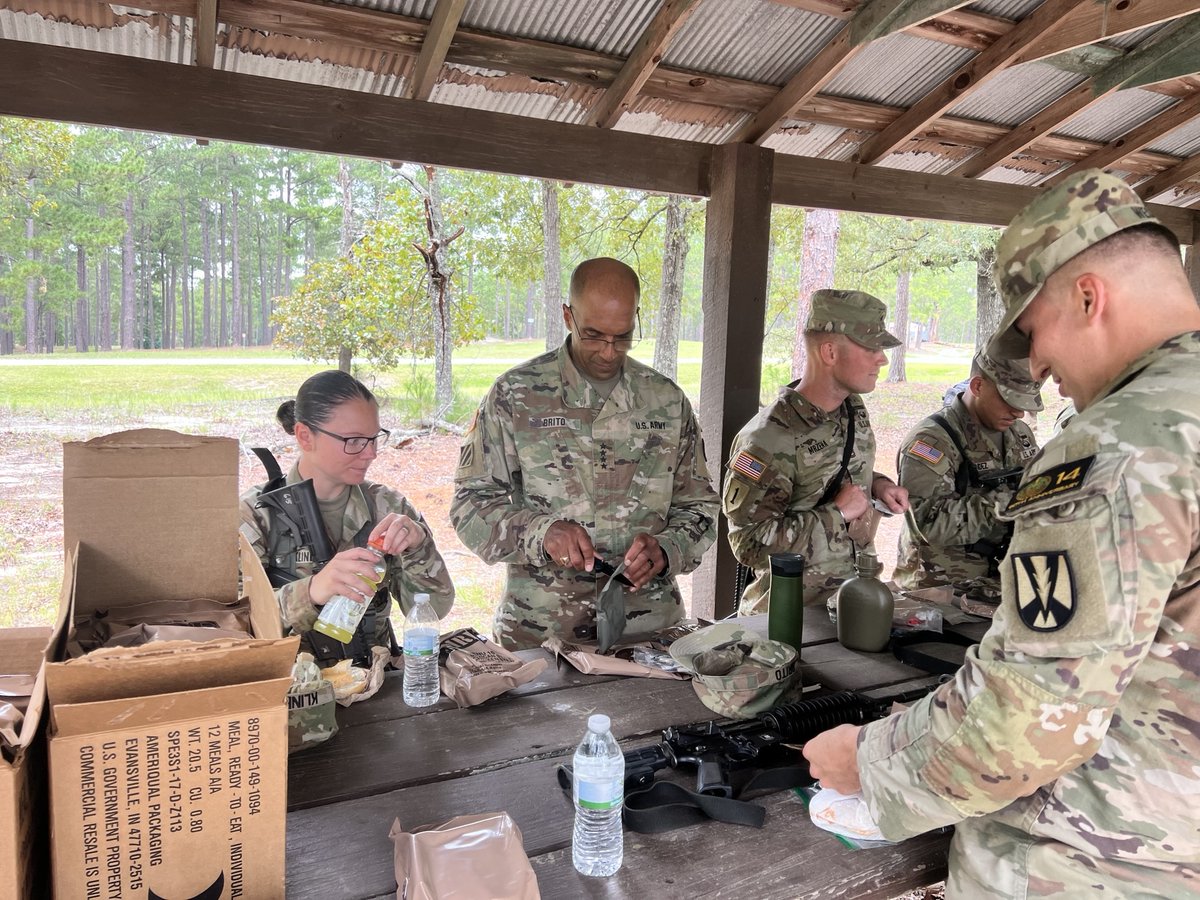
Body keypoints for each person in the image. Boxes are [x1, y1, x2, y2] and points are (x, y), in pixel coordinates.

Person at [803, 169, 1200, 897]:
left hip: (1094, 862)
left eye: (1034, 331)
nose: (1038, 367)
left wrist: (869, 759)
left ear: (1089, 297)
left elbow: (1028, 717)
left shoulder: (1121, 444)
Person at [451, 257, 718, 650]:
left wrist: (668, 548)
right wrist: (542, 533)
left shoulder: (666, 401)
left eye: (623, 337)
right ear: (567, 316)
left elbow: (700, 507)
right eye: (593, 335)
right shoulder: (516, 396)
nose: (608, 352)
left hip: (648, 633)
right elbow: (470, 506)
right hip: (542, 634)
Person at [240, 370, 454, 666]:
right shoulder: (256, 515)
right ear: (305, 436)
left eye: (374, 439)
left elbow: (435, 608)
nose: (370, 454)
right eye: (354, 440)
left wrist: (419, 547)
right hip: (290, 686)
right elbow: (236, 627)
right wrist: (310, 592)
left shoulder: (387, 508)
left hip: (374, 681)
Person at [722, 289, 910, 614]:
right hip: (789, 620)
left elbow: (831, 473)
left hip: (852, 609)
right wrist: (836, 515)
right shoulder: (767, 439)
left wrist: (877, 485)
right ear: (830, 352)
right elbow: (749, 544)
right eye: (871, 348)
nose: (882, 359)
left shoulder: (852, 409)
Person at [892, 350, 1042, 601]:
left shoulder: (1020, 433)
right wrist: (1009, 502)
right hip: (941, 590)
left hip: (1000, 584)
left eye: (1024, 403)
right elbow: (928, 523)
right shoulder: (932, 441)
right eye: (1010, 401)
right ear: (978, 386)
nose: (1018, 412)